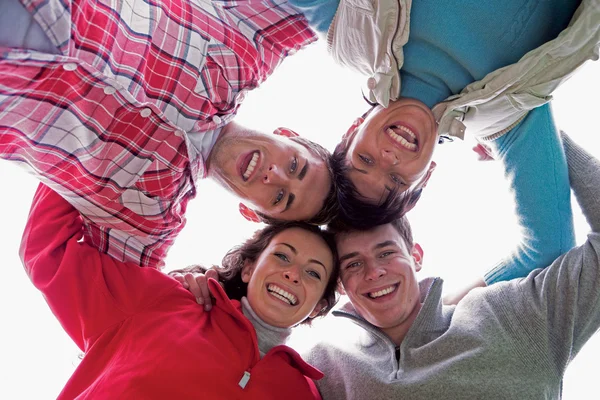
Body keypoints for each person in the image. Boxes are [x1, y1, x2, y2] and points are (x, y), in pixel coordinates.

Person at [0, 0, 337, 270]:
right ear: (288, 134)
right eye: (294, 165)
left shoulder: (150, 224)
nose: (274, 175)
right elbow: (340, 13)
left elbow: (132, 317)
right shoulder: (249, 43)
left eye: (280, 198)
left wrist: (207, 294)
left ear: (252, 214)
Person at [301, 133, 600, 399]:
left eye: (386, 253)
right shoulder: (322, 367)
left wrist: (536, 139)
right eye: (353, 264)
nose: (374, 271)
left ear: (415, 256)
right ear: (340, 283)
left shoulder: (511, 315)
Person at [19, 182, 340, 398]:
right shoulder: (164, 301)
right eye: (282, 255)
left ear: (318, 307)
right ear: (248, 267)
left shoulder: (304, 391)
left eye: (313, 273)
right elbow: (49, 251)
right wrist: (81, 149)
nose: (293, 274)